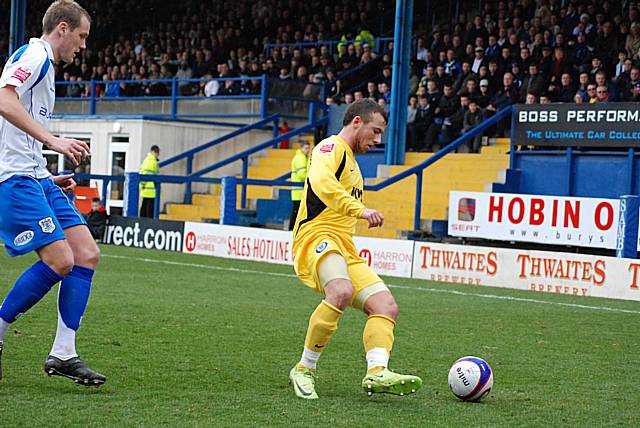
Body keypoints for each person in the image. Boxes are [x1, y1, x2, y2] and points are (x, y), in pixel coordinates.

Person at [0, 0, 105, 385]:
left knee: (86, 254)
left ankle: (63, 353)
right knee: (61, 260)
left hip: (37, 177)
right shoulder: (35, 55)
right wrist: (53, 141)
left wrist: (48, 172)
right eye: (81, 36)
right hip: (16, 179)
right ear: (62, 28)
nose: (82, 45)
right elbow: (3, 99)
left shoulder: (44, 64)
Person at [289, 99, 422, 400]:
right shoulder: (330, 148)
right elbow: (321, 183)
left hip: (344, 247)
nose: (377, 141)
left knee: (386, 307)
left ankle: (377, 372)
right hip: (316, 236)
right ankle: (304, 369)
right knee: (340, 291)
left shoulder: (352, 163)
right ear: (357, 121)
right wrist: (359, 209)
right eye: (375, 132)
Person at [289, 141, 311, 231]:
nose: (307, 150)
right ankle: (291, 230)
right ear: (301, 148)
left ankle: (293, 230)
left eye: (308, 148)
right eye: (306, 148)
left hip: (299, 191)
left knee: (297, 212)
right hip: (299, 191)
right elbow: (302, 175)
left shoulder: (302, 157)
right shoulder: (300, 158)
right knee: (297, 212)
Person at [139, 145, 160, 218]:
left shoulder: (147, 160)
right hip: (151, 190)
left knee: (144, 207)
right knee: (149, 210)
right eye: (157, 152)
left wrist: (141, 185)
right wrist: (142, 184)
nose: (158, 154)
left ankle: (142, 222)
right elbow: (146, 174)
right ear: (153, 152)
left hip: (146, 189)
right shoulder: (152, 161)